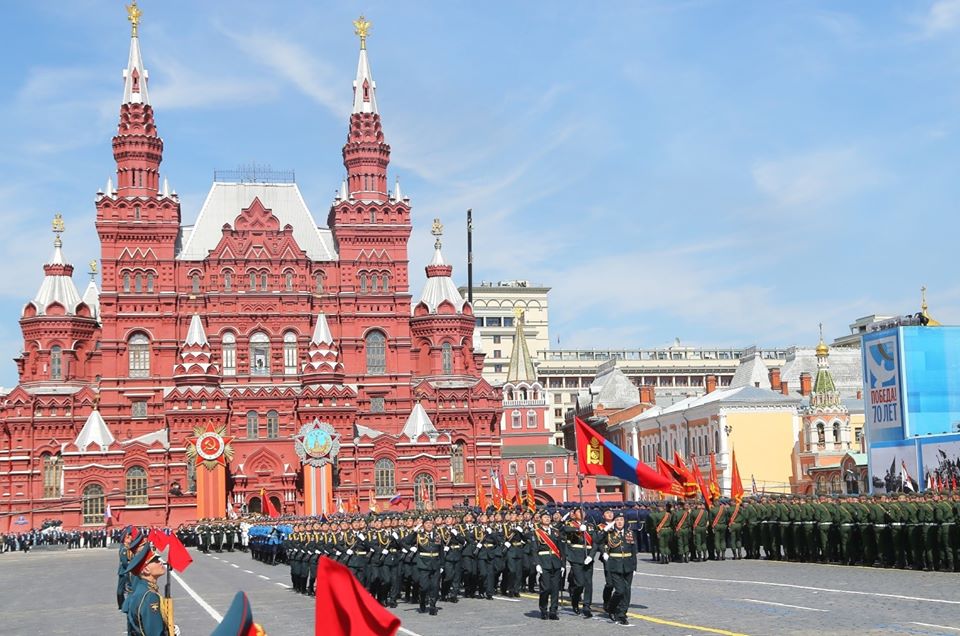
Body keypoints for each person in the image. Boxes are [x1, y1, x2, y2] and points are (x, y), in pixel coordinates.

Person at [124, 543, 175, 636]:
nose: (160, 562)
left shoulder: (143, 589)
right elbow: (154, 633)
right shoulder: (150, 596)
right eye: (155, 561)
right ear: (146, 570)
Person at [601, 510, 637, 626]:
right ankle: (611, 607)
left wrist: (634, 567)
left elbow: (633, 551)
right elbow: (597, 540)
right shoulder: (609, 533)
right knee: (620, 590)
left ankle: (622, 613)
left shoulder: (630, 533)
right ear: (614, 522)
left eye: (621, 520)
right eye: (617, 520)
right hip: (615, 565)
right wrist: (605, 530)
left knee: (627, 591)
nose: (620, 522)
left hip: (628, 564)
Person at [531, 509, 564, 621]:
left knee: (555, 588)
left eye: (548, 517)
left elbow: (561, 549)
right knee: (545, 588)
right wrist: (537, 564)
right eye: (545, 517)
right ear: (540, 519)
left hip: (555, 562)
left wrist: (563, 564)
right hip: (544, 562)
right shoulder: (536, 532)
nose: (547, 519)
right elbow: (534, 550)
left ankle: (553, 610)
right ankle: (543, 609)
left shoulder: (556, 531)